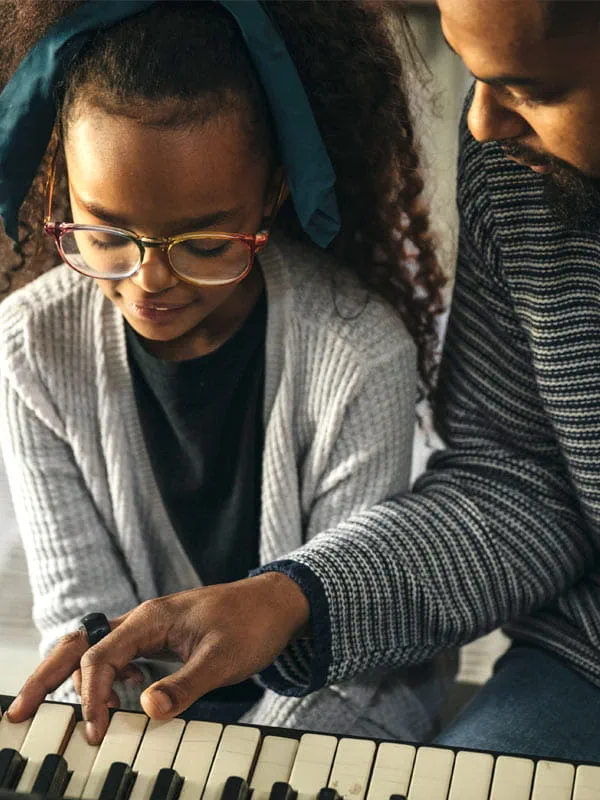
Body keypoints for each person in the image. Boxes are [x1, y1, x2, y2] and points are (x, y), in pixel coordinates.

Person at [13, 0, 600, 765]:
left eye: (532, 90)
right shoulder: (517, 167)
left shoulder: (350, 348)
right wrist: (292, 599)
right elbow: (520, 479)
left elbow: (359, 696)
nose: (481, 125)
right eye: (478, 77)